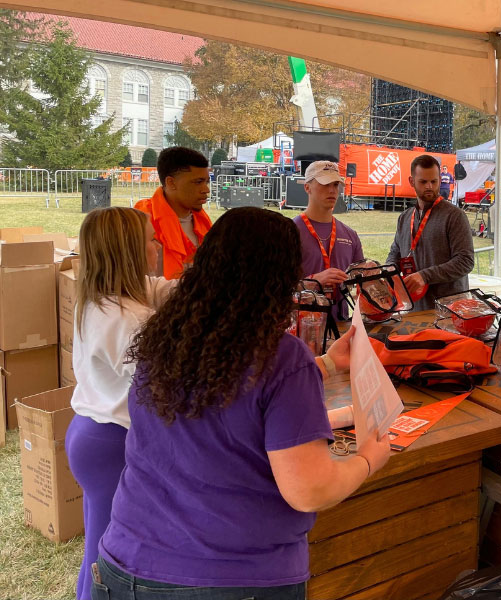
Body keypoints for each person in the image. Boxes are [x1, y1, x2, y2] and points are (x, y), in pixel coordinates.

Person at [95, 207, 391, 599]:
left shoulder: (169, 337)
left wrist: (322, 364)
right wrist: (368, 457)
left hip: (124, 565)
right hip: (231, 579)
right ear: (284, 276)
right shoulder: (280, 356)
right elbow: (309, 489)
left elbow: (229, 390)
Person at [65, 207, 174, 600]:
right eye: (149, 239)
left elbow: (160, 288)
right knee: (109, 559)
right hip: (113, 441)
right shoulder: (128, 319)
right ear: (129, 251)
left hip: (91, 434)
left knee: (98, 542)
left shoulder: (102, 298)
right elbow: (168, 383)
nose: (156, 246)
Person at [387, 155, 474, 311]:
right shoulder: (404, 218)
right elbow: (396, 253)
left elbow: (465, 261)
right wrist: (388, 272)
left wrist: (424, 276)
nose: (429, 186)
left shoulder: (455, 216)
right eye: (423, 182)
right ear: (411, 181)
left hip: (448, 311)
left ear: (440, 180)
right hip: (413, 309)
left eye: (433, 181)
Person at [293, 161, 363, 319]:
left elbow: (360, 287)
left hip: (340, 327)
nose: (332, 190)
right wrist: (314, 281)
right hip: (300, 329)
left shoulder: (350, 235)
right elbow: (272, 288)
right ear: (307, 187)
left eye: (336, 184)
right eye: (325, 184)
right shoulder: (288, 232)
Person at [135, 147, 212, 279]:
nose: (206, 190)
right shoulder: (140, 222)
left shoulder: (204, 223)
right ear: (171, 183)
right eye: (198, 182)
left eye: (206, 182)